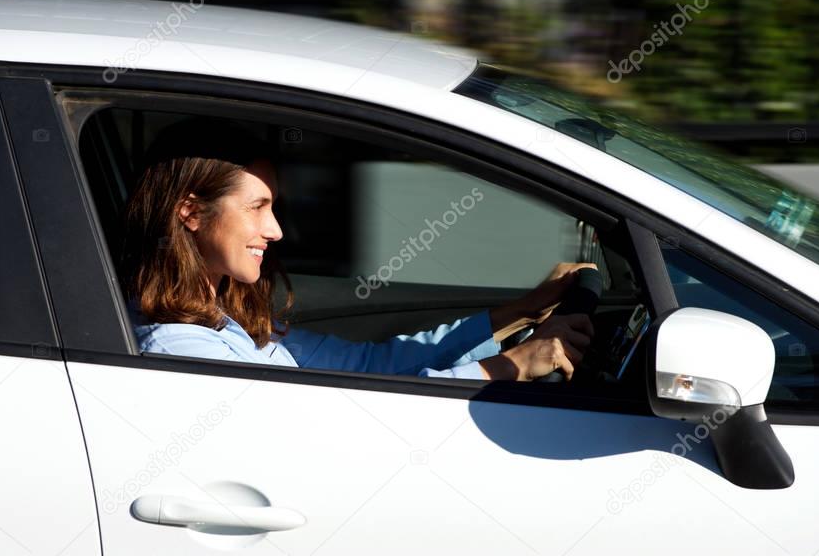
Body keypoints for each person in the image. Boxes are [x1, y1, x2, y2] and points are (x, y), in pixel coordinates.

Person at [121, 121, 594, 381]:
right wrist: (513, 366)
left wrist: (520, 311)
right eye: (257, 207)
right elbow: (345, 422)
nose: (275, 230)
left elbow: (372, 367)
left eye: (274, 207)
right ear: (190, 213)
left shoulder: (227, 319)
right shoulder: (181, 350)